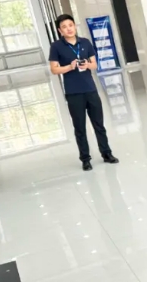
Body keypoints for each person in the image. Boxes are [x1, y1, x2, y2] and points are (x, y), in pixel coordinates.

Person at [48, 14, 118, 171]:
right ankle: (85, 159)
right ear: (60, 30)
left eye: (70, 25)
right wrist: (69, 66)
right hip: (73, 93)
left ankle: (106, 153)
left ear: (74, 26)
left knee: (99, 124)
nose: (68, 29)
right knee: (79, 128)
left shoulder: (85, 42)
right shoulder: (56, 47)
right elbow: (54, 69)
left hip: (90, 90)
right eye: (64, 27)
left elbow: (94, 64)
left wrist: (87, 65)